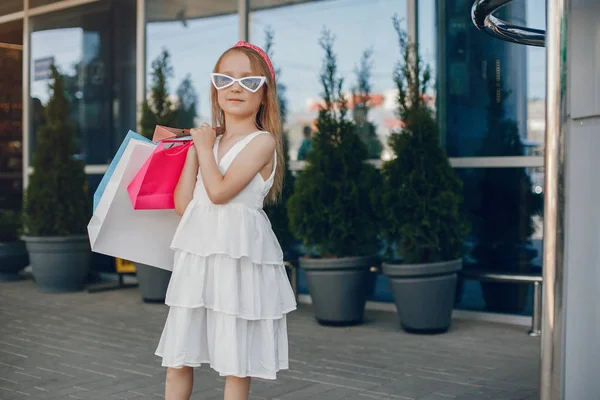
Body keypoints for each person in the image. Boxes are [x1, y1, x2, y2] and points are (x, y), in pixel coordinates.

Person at [154, 41, 297, 400]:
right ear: (215, 87)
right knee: (179, 357)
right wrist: (195, 151)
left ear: (264, 95)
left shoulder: (261, 142)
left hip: (238, 258)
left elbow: (219, 193)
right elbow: (186, 205)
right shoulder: (211, 143)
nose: (235, 87)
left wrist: (202, 148)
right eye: (225, 78)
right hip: (200, 256)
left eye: (249, 82)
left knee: (235, 362)